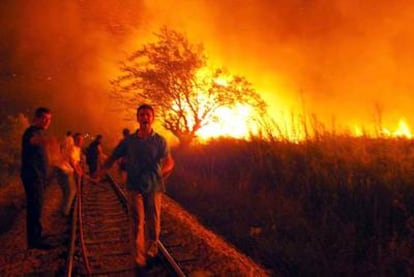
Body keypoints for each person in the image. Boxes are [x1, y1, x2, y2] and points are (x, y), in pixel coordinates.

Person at [99, 104, 174, 269]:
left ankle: (151, 250)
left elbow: (169, 162)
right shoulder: (129, 141)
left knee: (153, 222)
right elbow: (113, 157)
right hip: (134, 186)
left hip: (153, 187)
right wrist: (100, 172)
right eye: (142, 115)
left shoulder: (160, 141)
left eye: (148, 114)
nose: (145, 117)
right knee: (136, 222)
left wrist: (163, 172)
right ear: (138, 118)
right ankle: (139, 259)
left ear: (152, 118)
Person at [20, 107, 54, 249]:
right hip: (32, 176)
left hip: (38, 177)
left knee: (38, 206)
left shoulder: (39, 133)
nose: (47, 122)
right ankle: (34, 241)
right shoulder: (31, 132)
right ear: (37, 118)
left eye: (49, 119)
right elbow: (33, 141)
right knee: (34, 207)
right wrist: (43, 141)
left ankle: (37, 234)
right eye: (44, 119)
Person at [56, 133, 84, 216]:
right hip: (64, 171)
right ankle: (65, 212)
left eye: (81, 140)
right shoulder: (72, 148)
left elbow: (76, 162)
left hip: (67, 171)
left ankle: (63, 209)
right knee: (71, 191)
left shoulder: (77, 149)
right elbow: (71, 161)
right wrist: (77, 170)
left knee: (68, 191)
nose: (80, 141)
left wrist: (79, 169)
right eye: (78, 139)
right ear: (74, 140)